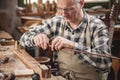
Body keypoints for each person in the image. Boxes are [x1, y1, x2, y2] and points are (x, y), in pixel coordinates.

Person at [20, 0, 112, 80]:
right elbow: (23, 39)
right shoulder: (57, 22)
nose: (63, 14)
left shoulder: (96, 26)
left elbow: (105, 63)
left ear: (81, 3)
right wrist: (35, 37)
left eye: (69, 9)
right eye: (60, 9)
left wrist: (73, 46)